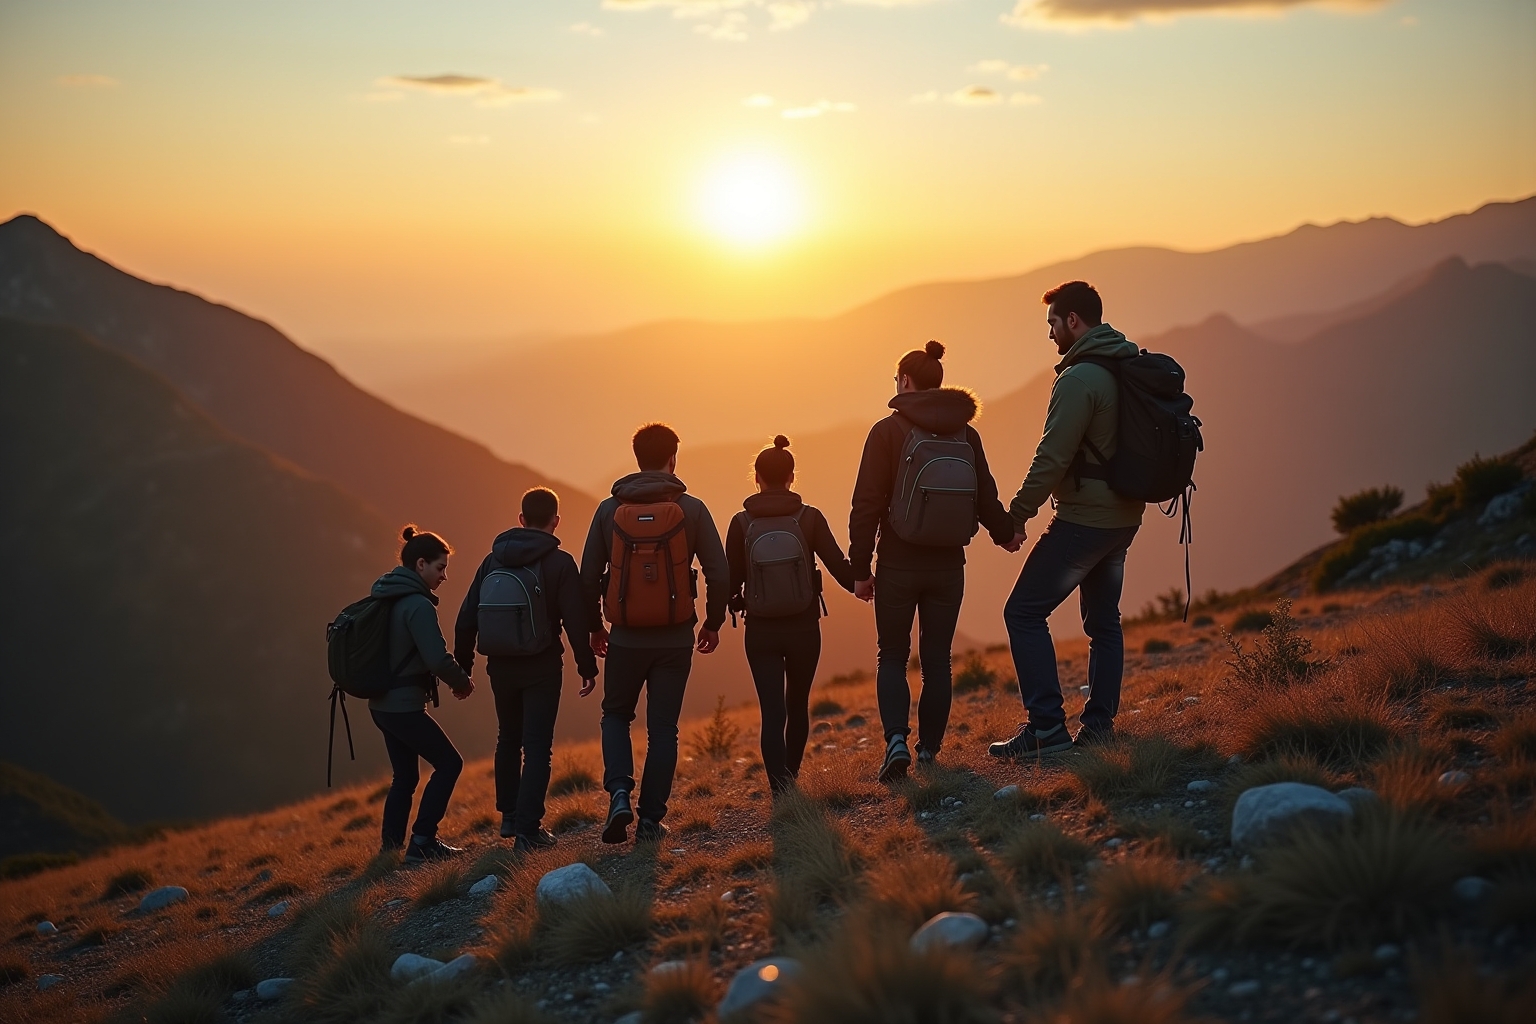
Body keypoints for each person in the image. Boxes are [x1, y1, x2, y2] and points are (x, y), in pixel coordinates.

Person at [989, 281, 1145, 760]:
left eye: (1053, 323)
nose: (1051, 334)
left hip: (1084, 520)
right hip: (1124, 516)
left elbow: (1051, 458)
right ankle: (1099, 727)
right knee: (1104, 622)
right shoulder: (1127, 365)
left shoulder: (1078, 379)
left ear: (1073, 320)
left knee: (1023, 612)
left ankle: (1046, 728)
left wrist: (1016, 517)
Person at [849, 341, 1016, 782]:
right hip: (948, 565)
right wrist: (1006, 533)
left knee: (892, 655)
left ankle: (896, 741)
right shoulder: (966, 433)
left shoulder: (887, 432)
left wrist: (860, 569)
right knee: (938, 660)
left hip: (899, 563)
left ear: (905, 382)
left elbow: (866, 504)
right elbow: (985, 497)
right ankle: (930, 753)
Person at [581, 423, 729, 844]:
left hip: (625, 637)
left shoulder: (608, 512)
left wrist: (595, 627)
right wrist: (713, 622)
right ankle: (650, 820)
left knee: (615, 715)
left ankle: (620, 794)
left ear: (637, 457)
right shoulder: (693, 509)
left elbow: (588, 575)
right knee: (663, 727)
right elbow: (719, 573)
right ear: (673, 458)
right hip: (675, 638)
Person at [453, 488, 598, 852]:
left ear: (521, 520)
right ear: (556, 521)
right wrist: (587, 665)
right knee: (536, 747)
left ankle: (509, 817)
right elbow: (575, 620)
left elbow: (466, 617)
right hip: (542, 665)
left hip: (499, 665)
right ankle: (529, 831)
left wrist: (464, 666)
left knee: (508, 739)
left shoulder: (493, 561)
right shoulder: (560, 563)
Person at [725, 436, 858, 795]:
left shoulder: (740, 524)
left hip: (761, 631)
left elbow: (729, 581)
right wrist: (862, 584)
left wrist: (722, 610)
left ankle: (779, 789)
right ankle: (791, 778)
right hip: (803, 626)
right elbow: (837, 564)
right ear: (792, 477)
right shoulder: (809, 518)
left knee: (772, 712)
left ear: (756, 478)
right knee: (797, 704)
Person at [368, 525, 475, 862]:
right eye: (440, 567)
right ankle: (423, 841)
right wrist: (462, 681)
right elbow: (437, 657)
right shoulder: (417, 604)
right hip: (403, 706)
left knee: (406, 775)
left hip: (382, 704)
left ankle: (390, 849)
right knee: (449, 763)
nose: (444, 576)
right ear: (420, 565)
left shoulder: (386, 595)